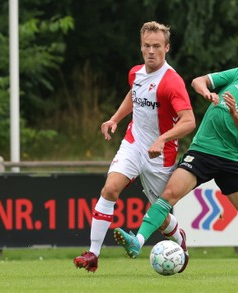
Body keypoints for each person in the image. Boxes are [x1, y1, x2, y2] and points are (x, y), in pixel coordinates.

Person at [114, 46, 238, 274]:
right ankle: (138, 241)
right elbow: (198, 81)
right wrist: (206, 92)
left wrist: (234, 113)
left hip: (230, 159)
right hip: (202, 151)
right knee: (169, 195)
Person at [74, 21, 196, 273]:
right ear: (141, 47)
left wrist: (162, 139)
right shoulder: (135, 73)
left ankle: (179, 238)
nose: (151, 51)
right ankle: (93, 254)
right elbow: (134, 94)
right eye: (146, 46)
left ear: (167, 48)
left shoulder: (172, 82)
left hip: (161, 155)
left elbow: (189, 121)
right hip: (133, 143)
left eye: (157, 46)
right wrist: (115, 119)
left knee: (160, 217)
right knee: (110, 188)